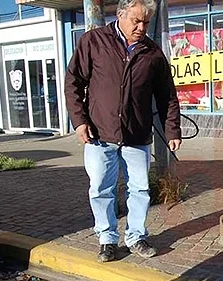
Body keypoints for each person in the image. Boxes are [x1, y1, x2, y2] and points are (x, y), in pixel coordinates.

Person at [65, 0, 181, 263]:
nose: (141, 28)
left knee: (140, 189)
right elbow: (73, 82)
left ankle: (136, 236)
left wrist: (172, 130)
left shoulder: (152, 53)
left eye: (146, 23)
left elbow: (167, 97)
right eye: (136, 21)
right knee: (100, 189)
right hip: (98, 133)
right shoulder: (93, 42)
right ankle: (107, 240)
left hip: (136, 135)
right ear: (120, 15)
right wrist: (80, 121)